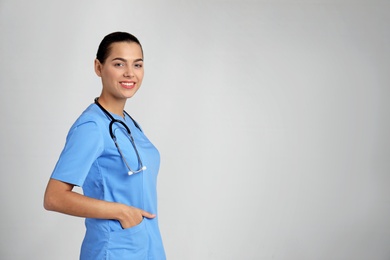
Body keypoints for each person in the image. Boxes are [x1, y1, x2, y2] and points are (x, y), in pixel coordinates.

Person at [44, 32, 166, 259]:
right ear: (98, 67)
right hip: (114, 248)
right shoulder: (92, 126)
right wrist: (123, 212)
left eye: (137, 64)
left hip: (146, 245)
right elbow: (54, 197)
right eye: (119, 64)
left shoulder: (126, 122)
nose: (130, 73)